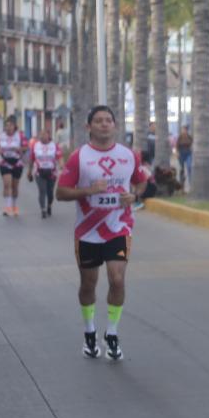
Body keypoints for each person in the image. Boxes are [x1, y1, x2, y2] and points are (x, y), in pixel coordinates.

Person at [56, 105, 151, 362]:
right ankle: (89, 332)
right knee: (88, 284)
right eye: (98, 121)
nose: (104, 124)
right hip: (87, 231)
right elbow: (61, 192)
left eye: (109, 120)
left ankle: (112, 333)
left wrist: (135, 194)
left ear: (115, 125)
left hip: (119, 226)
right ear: (89, 127)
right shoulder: (79, 157)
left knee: (117, 279)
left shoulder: (129, 155)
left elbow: (141, 181)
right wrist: (88, 191)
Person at [0, 116, 28, 217]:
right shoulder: (0, 136)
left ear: (15, 126)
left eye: (10, 125)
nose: (8, 127)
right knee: (6, 184)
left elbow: (26, 148)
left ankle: (14, 206)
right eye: (7, 125)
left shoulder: (20, 135)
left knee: (15, 186)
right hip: (5, 162)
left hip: (17, 162)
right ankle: (7, 208)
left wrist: (18, 149)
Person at [29, 129, 63, 218]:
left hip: (52, 172)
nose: (42, 136)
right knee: (42, 190)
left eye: (44, 134)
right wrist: (29, 171)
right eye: (40, 135)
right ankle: (43, 209)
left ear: (48, 135)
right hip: (39, 171)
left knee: (50, 192)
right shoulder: (35, 145)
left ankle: (49, 206)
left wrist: (62, 166)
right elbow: (31, 158)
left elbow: (60, 157)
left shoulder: (54, 146)